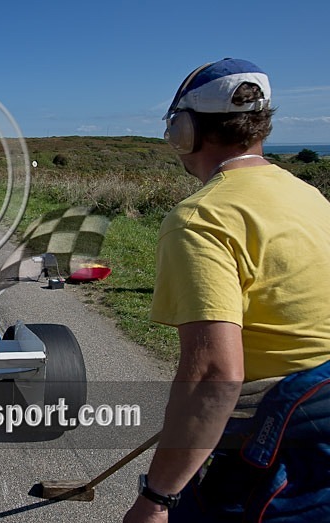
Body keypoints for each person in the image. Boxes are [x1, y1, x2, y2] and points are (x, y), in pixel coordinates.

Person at [124, 59, 330, 522]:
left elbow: (215, 373)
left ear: (183, 131)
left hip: (271, 447)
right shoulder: (310, 196)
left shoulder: (201, 218)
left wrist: (157, 499)